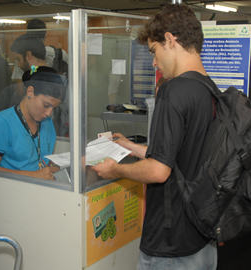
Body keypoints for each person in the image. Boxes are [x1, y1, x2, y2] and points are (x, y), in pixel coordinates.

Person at [92, 5, 217, 270]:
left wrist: (114, 169)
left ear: (170, 40)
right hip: (202, 239)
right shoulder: (209, 88)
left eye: (153, 51)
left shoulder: (173, 91)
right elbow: (183, 154)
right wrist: (132, 147)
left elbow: (159, 171)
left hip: (170, 244)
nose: (153, 62)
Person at [0, 66, 66, 180]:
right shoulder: (1, 123)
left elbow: (44, 158)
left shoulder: (46, 122)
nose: (48, 113)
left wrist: (53, 166)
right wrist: (33, 175)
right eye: (46, 105)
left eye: (54, 108)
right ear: (30, 92)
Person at [0, 34, 47, 117]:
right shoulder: (43, 80)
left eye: (18, 59)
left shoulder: (43, 85)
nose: (18, 65)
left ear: (28, 55)